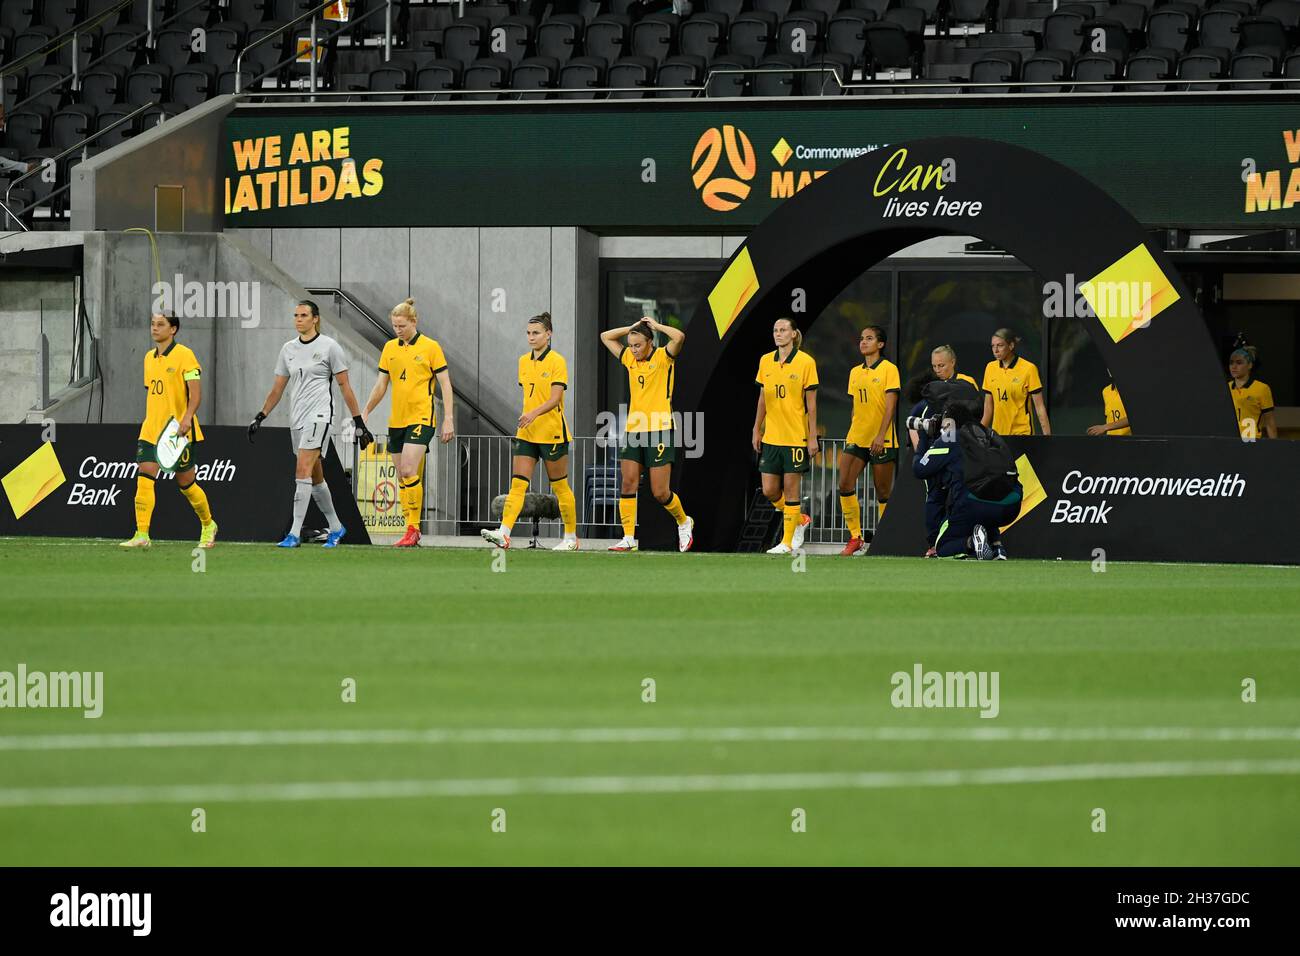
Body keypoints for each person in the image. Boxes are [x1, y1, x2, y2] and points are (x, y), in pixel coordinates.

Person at [248, 300, 373, 548]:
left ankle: (293, 534)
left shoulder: (329, 347)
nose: (298, 319)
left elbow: (345, 386)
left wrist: (359, 421)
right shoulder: (288, 349)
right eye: (295, 315)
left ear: (315, 318)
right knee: (315, 478)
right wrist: (261, 415)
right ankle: (337, 528)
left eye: (303, 315)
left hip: (320, 416)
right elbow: (277, 388)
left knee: (301, 470)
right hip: (297, 419)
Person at [119, 311, 218, 549]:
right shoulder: (148, 358)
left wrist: (187, 418)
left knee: (186, 483)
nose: (155, 328)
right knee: (144, 476)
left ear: (173, 329)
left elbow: (195, 394)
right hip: (151, 428)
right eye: (152, 324)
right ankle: (142, 534)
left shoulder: (185, 355)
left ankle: (208, 524)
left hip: (178, 431)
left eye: (160, 324)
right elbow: (154, 392)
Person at [482, 312, 580, 551]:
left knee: (560, 487)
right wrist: (529, 417)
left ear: (549, 334)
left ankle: (571, 538)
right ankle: (504, 534)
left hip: (552, 433)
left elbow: (556, 399)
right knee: (518, 485)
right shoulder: (523, 361)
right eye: (528, 333)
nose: (531, 337)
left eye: (535, 333)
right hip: (527, 433)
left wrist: (533, 413)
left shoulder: (557, 361)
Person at [361, 298, 455, 548]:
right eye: (394, 326)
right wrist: (367, 410)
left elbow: (445, 383)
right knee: (403, 480)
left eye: (402, 325)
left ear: (414, 322)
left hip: (421, 417)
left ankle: (414, 529)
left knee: (408, 471)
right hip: (397, 420)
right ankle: (409, 529)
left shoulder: (431, 347)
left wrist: (448, 419)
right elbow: (382, 384)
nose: (397, 330)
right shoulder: (390, 348)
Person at [599, 317, 694, 552]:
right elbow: (605, 337)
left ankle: (684, 522)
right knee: (628, 483)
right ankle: (629, 538)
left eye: (638, 345)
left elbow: (679, 337)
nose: (633, 350)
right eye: (631, 345)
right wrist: (630, 328)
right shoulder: (629, 358)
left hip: (660, 428)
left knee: (660, 492)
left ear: (650, 342)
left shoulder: (663, 356)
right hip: (634, 428)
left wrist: (657, 326)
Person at [913, 387, 1021, 560]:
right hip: (1012, 504)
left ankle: (972, 542)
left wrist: (924, 439)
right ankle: (998, 548)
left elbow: (920, 469)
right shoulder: (990, 433)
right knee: (988, 496)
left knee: (942, 546)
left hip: (974, 504)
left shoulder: (951, 437)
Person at [753, 317, 819, 555]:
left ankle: (787, 541)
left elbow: (811, 404)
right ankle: (799, 519)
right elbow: (763, 398)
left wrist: (813, 436)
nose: (778, 333)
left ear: (794, 334)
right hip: (771, 436)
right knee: (770, 490)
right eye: (775, 330)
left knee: (792, 490)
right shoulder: (765, 360)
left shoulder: (805, 362)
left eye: (783, 330)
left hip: (795, 437)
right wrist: (756, 428)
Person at [838, 325, 899, 556]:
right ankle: (855, 537)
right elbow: (855, 407)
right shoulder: (855, 372)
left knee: (883, 492)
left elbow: (890, 405)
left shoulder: (889, 369)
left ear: (880, 344)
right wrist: (853, 428)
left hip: (881, 438)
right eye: (862, 338)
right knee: (844, 483)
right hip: (857, 436)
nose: (863, 342)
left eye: (869, 338)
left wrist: (881, 434)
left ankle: (885, 539)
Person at [981, 328, 1051, 436]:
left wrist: (1047, 437)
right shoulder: (990, 368)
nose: (995, 350)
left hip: (1022, 434)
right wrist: (979, 435)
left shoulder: (1029, 369)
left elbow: (1039, 407)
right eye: (993, 346)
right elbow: (988, 408)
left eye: (1000, 345)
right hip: (998, 436)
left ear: (1011, 346)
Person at [905, 371, 944, 557]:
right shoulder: (923, 407)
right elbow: (912, 427)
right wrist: (921, 455)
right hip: (933, 458)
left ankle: (948, 541)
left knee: (946, 499)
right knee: (934, 498)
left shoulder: (950, 402)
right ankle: (934, 543)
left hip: (948, 457)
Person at [1228, 348, 1276, 441]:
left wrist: (1276, 448)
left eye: (1239, 363)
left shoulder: (1262, 388)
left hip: (1251, 442)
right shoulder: (1226, 388)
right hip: (1229, 441)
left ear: (1249, 365)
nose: (1233, 366)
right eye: (1231, 363)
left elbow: (1270, 422)